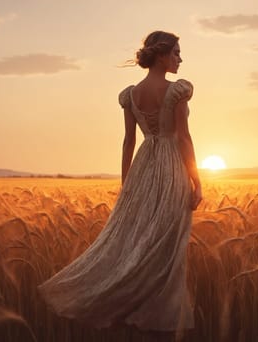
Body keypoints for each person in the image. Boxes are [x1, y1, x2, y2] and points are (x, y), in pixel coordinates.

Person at [37, 30, 202, 335]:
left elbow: (128, 142)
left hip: (142, 166)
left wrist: (127, 185)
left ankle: (126, 309)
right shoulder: (177, 90)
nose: (181, 58)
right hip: (170, 168)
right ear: (162, 55)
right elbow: (182, 137)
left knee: (137, 242)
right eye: (177, 52)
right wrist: (197, 181)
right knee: (166, 247)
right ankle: (160, 320)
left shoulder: (130, 94)